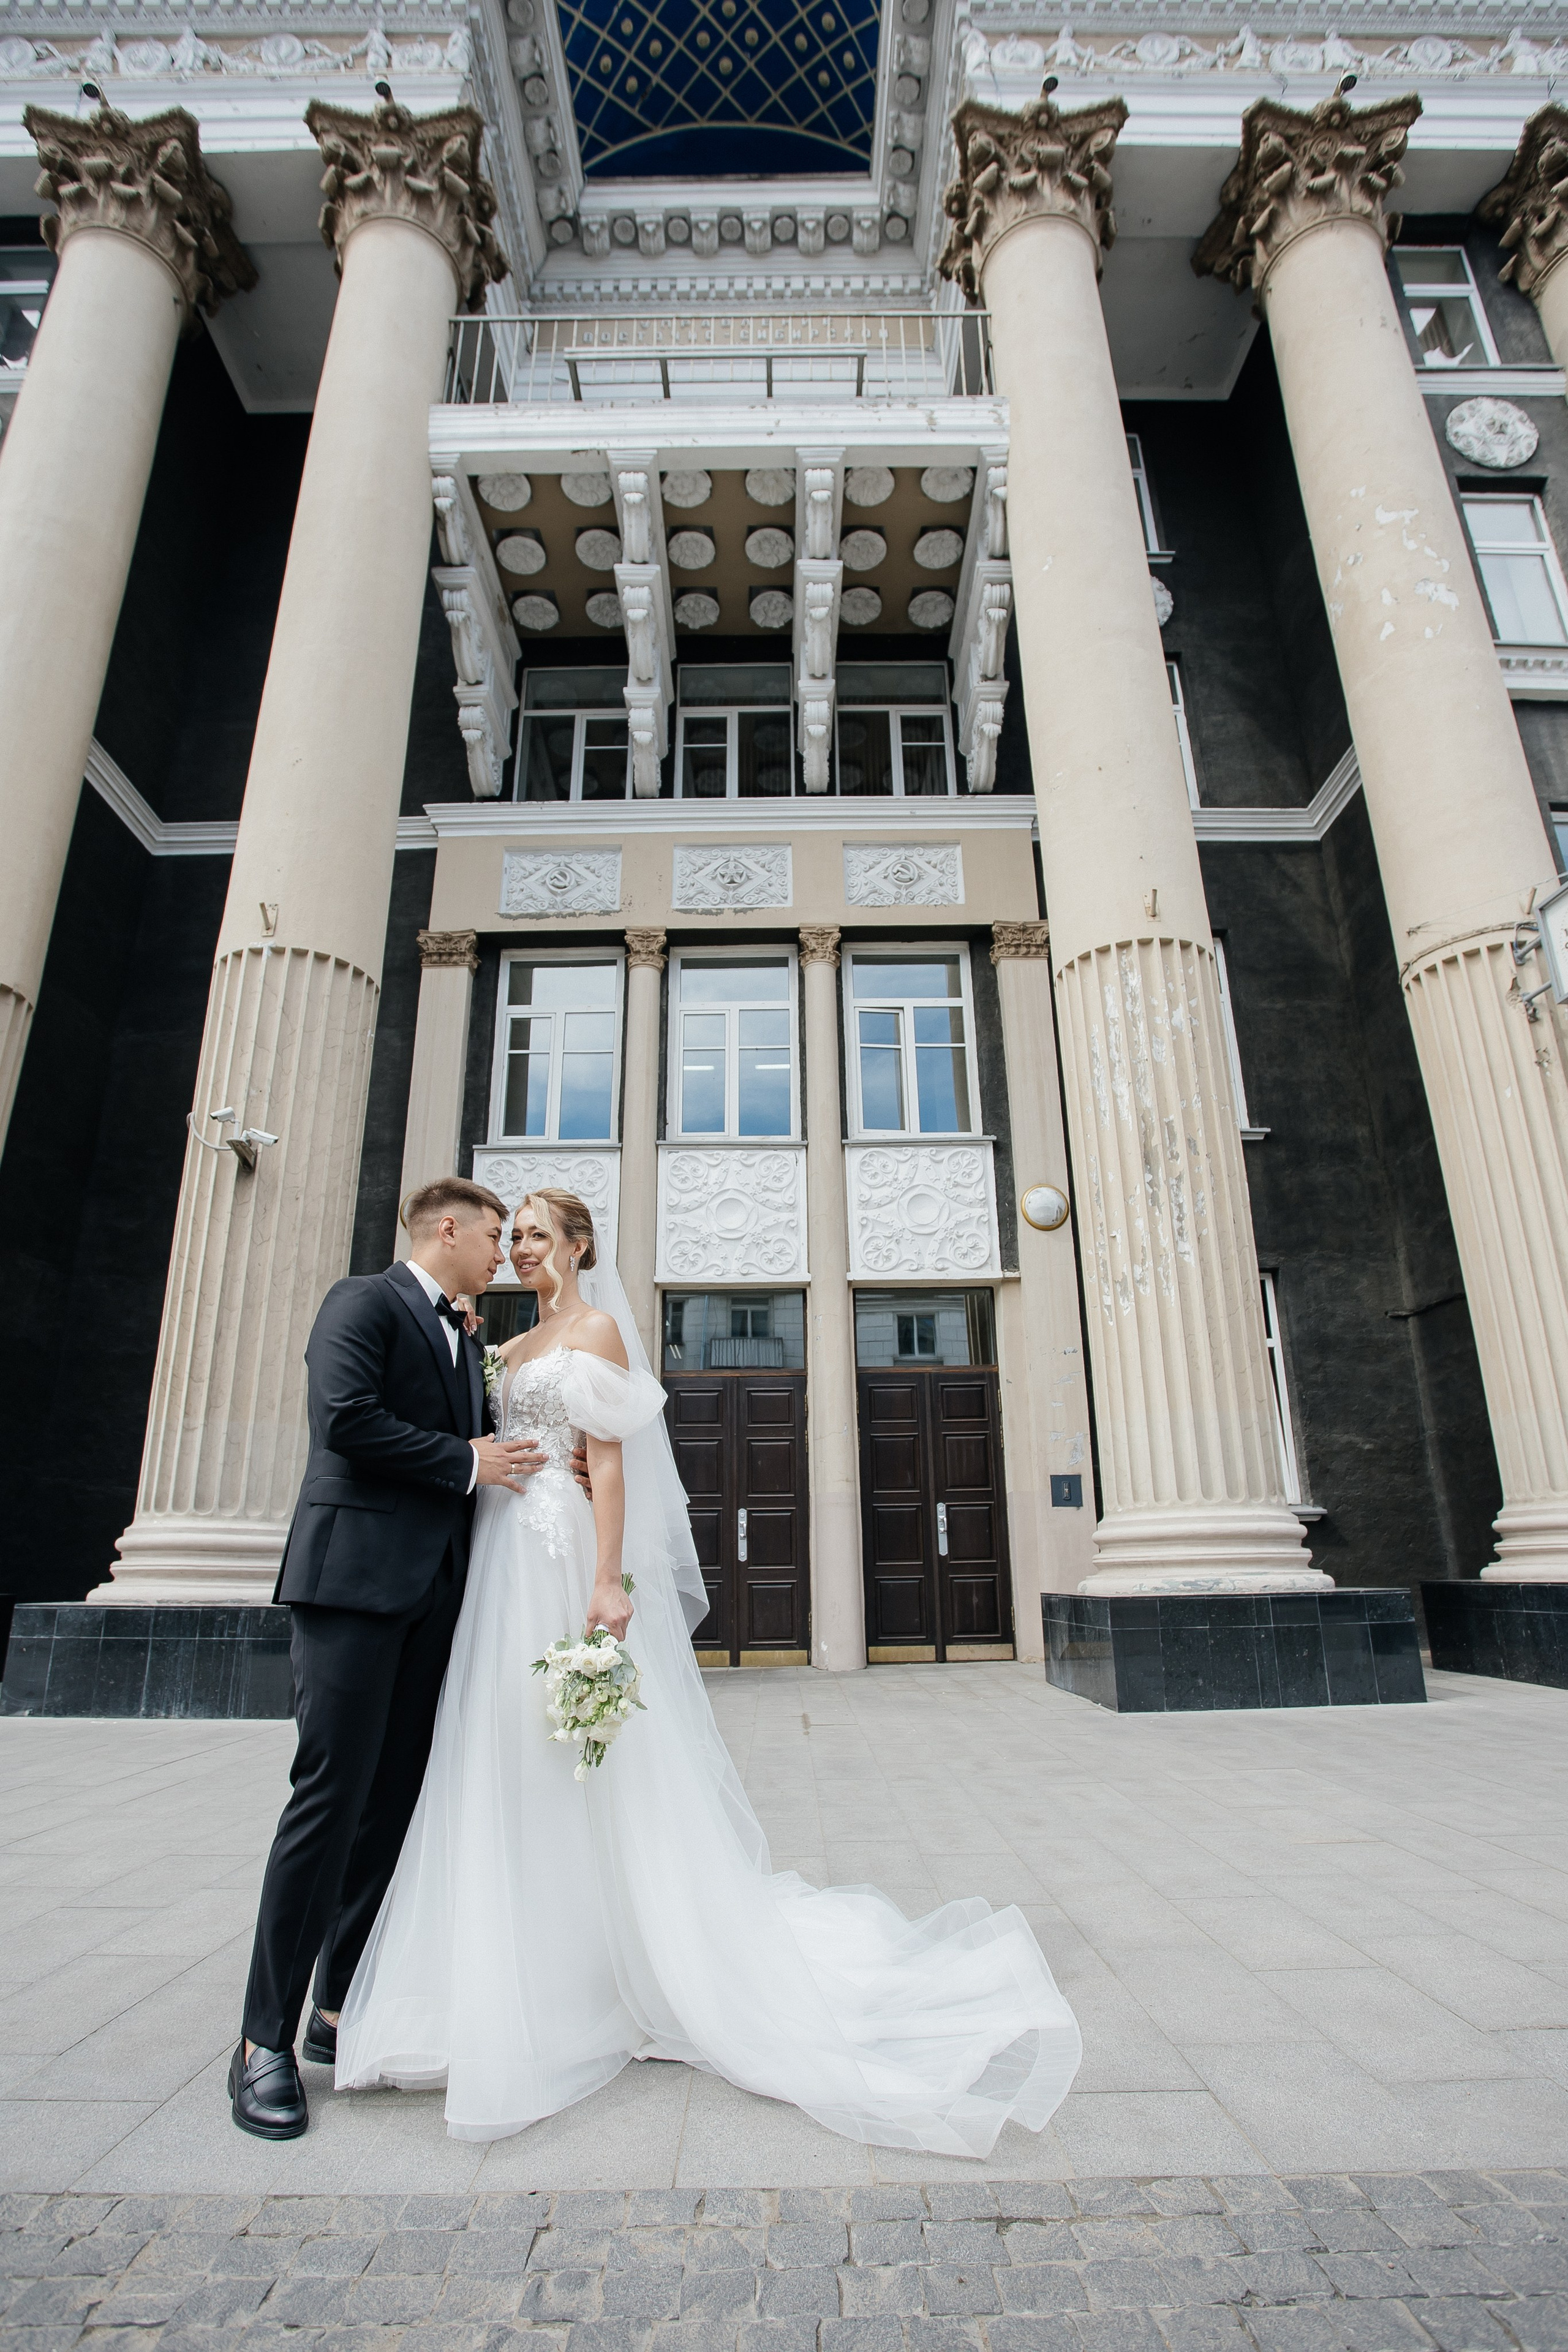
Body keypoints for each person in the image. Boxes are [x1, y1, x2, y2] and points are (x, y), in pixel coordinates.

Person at [336, 1187, 1082, 2158]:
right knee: (504, 1752)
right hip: (499, 1556)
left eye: (533, 1235)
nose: (517, 1249)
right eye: (508, 1235)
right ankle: (521, 1961)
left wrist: (608, 1581)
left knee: (585, 1761)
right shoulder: (504, 1344)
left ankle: (624, 1969)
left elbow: (608, 1466)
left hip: (562, 1563)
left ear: (576, 1243)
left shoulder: (596, 1331)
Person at [228, 1178, 553, 2140]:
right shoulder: (360, 1302)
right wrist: (468, 1461)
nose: (501, 1252)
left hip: (434, 1601)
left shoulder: (465, 1337)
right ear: (445, 1229)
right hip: (352, 1588)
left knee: (392, 1809)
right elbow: (347, 1422)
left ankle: (336, 2010)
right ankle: (260, 2044)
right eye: (494, 1235)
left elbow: (483, 1451)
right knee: (328, 1803)